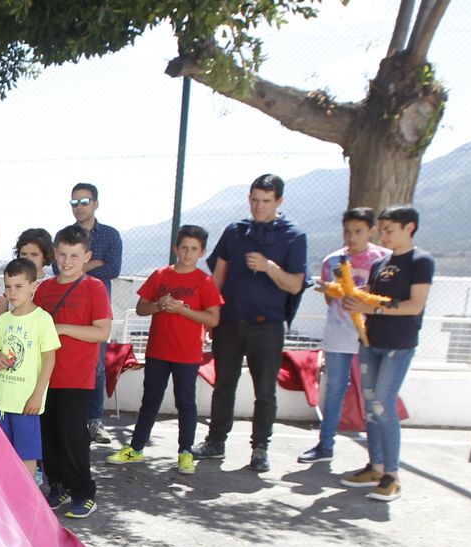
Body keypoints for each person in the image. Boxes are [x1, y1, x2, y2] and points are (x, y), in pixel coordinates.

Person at [192, 174, 307, 473]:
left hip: (267, 326)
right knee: (223, 386)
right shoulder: (235, 231)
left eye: (266, 201)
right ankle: (215, 442)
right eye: (254, 199)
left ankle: (260, 448)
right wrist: (210, 316)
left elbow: (295, 285)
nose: (258, 206)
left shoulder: (293, 236)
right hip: (230, 322)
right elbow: (218, 275)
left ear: (279, 201)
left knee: (265, 391)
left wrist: (269, 267)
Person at [107, 226, 222, 474]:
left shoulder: (204, 281)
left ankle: (185, 452)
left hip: (187, 354)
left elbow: (213, 319)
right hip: (158, 350)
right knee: (150, 400)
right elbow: (141, 308)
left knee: (186, 403)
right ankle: (136, 448)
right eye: (184, 248)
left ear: (202, 252)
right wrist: (159, 305)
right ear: (175, 249)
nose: (188, 253)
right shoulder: (160, 275)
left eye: (194, 249)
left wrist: (183, 310)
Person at [339, 205, 433, 503]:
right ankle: (376, 467)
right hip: (371, 341)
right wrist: (347, 296)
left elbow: (415, 305)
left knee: (383, 405)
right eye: (382, 229)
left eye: (390, 229)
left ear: (410, 228)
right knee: (370, 407)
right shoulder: (381, 264)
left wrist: (372, 308)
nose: (384, 235)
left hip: (398, 344)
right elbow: (369, 294)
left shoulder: (421, 261)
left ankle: (392, 475)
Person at [299, 207, 391, 464]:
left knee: (374, 394)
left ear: (372, 231)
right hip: (339, 334)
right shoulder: (333, 261)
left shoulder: (385, 259)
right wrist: (335, 291)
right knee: (336, 389)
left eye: (358, 231)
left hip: (372, 336)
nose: (351, 237)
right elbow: (330, 301)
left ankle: (379, 457)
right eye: (347, 232)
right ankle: (325, 445)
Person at [34, 225, 111, 519]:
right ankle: (58, 485)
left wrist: (63, 329)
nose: (67, 261)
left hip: (77, 378)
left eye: (74, 256)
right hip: (45, 376)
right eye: (63, 254)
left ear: (86, 257)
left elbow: (101, 332)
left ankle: (84, 491)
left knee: (72, 436)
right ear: (54, 254)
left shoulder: (94, 288)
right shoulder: (44, 289)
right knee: (48, 435)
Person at [0, 259, 59, 478]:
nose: (12, 292)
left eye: (19, 286)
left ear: (33, 287)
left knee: (26, 456)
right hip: (1, 402)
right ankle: (6, 501)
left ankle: (28, 504)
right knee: (0, 453)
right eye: (8, 286)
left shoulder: (42, 319)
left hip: (26, 404)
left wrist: (37, 396)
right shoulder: (3, 320)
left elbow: (49, 360)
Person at [69, 184, 124, 442]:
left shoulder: (111, 235)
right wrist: (94, 264)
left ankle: (94, 420)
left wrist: (81, 267)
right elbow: (64, 271)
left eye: (85, 200)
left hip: (98, 312)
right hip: (70, 310)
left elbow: (112, 269)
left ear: (96, 203)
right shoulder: (66, 235)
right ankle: (73, 418)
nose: (79, 206)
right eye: (75, 201)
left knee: (97, 366)